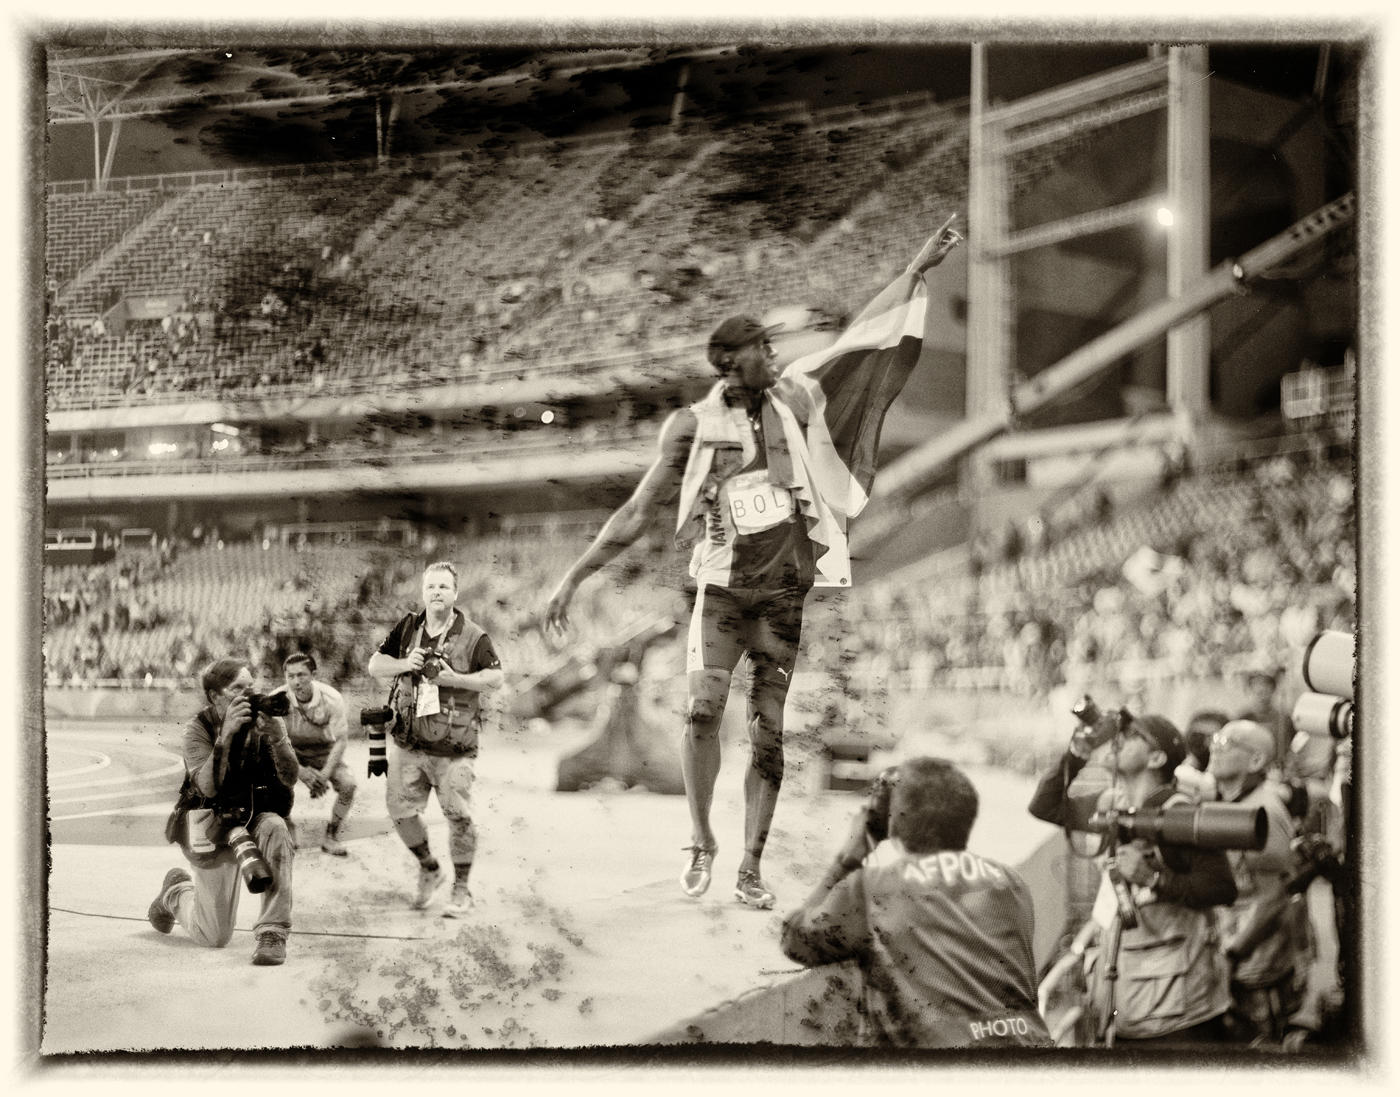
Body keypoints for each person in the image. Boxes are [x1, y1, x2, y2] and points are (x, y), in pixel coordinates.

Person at [544, 219, 964, 909]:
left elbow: (863, 339)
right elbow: (640, 508)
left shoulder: (797, 398)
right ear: (732, 362)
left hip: (782, 597)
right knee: (701, 712)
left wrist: (915, 270)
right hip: (721, 591)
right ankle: (702, 839)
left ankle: (751, 864)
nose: (776, 354)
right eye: (764, 348)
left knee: (770, 738)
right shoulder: (691, 426)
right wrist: (574, 575)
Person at [780, 757, 1051, 1048]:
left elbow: (796, 939)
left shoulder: (872, 888)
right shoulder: (1011, 883)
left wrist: (849, 855)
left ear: (892, 822)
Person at [1029, 709, 1237, 1046]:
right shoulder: (1115, 806)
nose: (1119, 739)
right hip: (1127, 1003)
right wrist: (1078, 752)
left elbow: (1222, 888)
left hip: (1179, 1013)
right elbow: (1045, 804)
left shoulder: (1181, 813)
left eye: (1134, 735)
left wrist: (1153, 879)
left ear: (1156, 757)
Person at [367, 561, 503, 916]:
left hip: (454, 747)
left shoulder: (474, 635)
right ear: (423, 592)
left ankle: (461, 889)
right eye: (431, 587)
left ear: (455, 593)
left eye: (443, 587)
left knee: (458, 815)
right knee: (400, 812)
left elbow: (495, 679)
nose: (436, 593)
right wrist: (403, 664)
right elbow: (374, 666)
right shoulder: (408, 627)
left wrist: (455, 678)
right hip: (408, 743)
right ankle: (430, 868)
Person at [145, 658, 298, 966]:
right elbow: (207, 788)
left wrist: (280, 739)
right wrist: (225, 737)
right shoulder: (197, 730)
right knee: (213, 936)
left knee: (277, 827)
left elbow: (290, 778)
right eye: (237, 689)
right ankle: (175, 891)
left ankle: (272, 932)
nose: (248, 696)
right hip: (211, 823)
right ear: (215, 696)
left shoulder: (262, 726)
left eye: (251, 687)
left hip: (253, 818)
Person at [1207, 719, 1301, 1044]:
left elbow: (1274, 897)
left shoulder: (1263, 811)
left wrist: (1232, 952)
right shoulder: (1229, 803)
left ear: (1256, 760)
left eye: (1226, 743)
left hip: (1256, 969)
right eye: (1215, 740)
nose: (1214, 748)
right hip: (1233, 963)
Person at [274, 652, 357, 856]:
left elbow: (341, 740)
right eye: (290, 676)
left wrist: (324, 775)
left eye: (301, 675)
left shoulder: (331, 698)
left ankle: (331, 835)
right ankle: (287, 828)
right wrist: (301, 772)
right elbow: (274, 744)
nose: (296, 681)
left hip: (322, 751)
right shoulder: (277, 700)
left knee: (348, 784)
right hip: (289, 752)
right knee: (271, 780)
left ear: (313, 674)